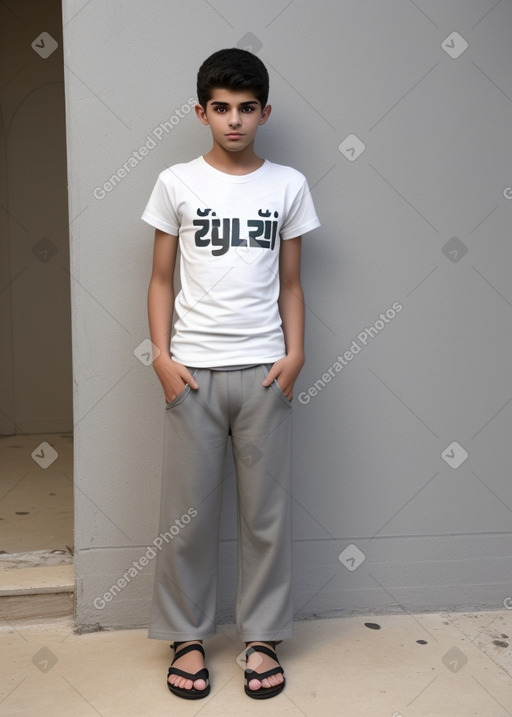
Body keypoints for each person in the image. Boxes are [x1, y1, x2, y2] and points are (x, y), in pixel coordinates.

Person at [141, 47, 320, 701]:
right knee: (186, 516)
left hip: (266, 372)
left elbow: (293, 285)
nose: (234, 120)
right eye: (221, 108)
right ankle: (187, 636)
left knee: (264, 516)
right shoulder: (175, 182)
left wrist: (295, 354)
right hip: (191, 374)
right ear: (202, 112)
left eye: (247, 108)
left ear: (264, 112)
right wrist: (161, 356)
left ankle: (262, 638)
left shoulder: (288, 185)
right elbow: (160, 278)